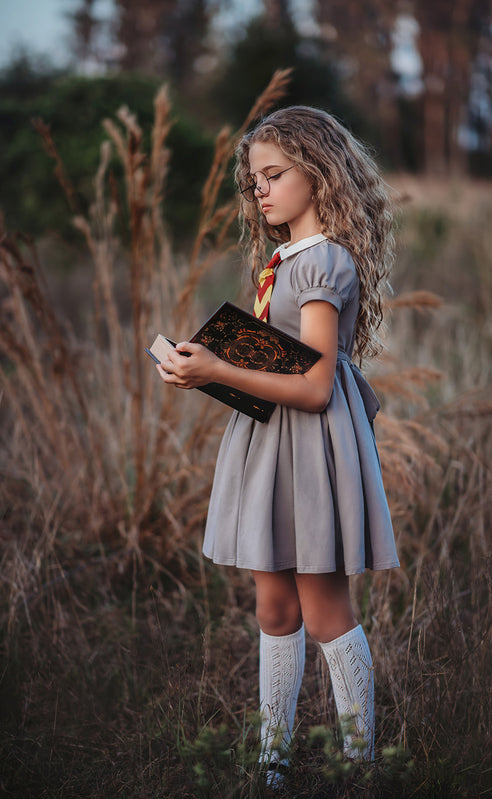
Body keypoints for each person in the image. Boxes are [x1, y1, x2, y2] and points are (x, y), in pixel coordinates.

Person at [157, 106, 400, 783]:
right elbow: (277, 362)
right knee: (273, 604)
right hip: (272, 445)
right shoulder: (284, 258)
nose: (259, 190)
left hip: (311, 449)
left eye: (273, 175)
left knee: (324, 610)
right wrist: (203, 364)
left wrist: (216, 370)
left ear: (317, 175)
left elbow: (317, 384)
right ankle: (274, 761)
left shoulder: (322, 261)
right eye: (252, 180)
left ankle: (359, 765)